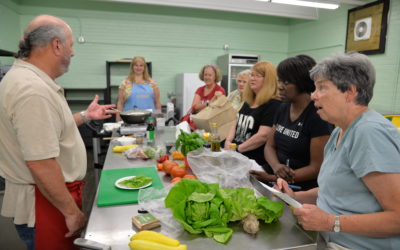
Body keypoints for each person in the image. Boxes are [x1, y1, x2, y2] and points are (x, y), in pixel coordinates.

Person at [0, 15, 118, 250]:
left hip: (47, 197)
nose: (72, 53)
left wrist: (85, 116)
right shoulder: (32, 91)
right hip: (46, 203)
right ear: (56, 45)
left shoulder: (30, 80)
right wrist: (72, 212)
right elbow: (41, 163)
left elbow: (48, 130)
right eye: (71, 45)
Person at [275, 52, 400, 249]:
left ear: (350, 92)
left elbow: (397, 218)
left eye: (322, 87)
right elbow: (336, 191)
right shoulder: (339, 130)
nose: (314, 95)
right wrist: (295, 197)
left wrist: (329, 222)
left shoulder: (369, 133)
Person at [250, 55, 333, 191]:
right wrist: (276, 167)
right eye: (280, 81)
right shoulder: (282, 108)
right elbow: (269, 146)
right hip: (274, 178)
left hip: (300, 189)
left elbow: (316, 168)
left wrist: (275, 178)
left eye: (286, 82)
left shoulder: (318, 116)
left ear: (302, 83)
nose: (280, 87)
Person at [224, 61, 281, 166]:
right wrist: (228, 141)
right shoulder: (250, 99)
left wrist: (238, 148)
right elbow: (235, 121)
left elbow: (263, 136)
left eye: (257, 76)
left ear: (268, 79)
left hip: (252, 162)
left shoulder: (273, 104)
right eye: (252, 75)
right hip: (236, 156)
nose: (252, 78)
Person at [116, 56, 161, 121]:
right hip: (129, 120)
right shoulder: (124, 83)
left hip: (149, 120)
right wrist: (118, 122)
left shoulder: (153, 83)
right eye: (136, 65)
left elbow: (157, 103)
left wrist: (159, 120)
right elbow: (120, 103)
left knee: (150, 131)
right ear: (132, 67)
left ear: (144, 67)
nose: (138, 68)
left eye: (141, 65)